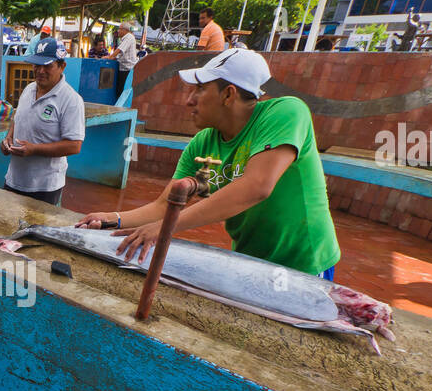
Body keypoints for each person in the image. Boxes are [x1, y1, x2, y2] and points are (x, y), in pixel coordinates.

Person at [76, 47, 340, 279]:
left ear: (228, 95)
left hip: (304, 263)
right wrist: (113, 218)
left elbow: (257, 186)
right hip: (249, 259)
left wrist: (162, 229)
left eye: (200, 89)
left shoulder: (285, 112)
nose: (189, 100)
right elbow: (164, 207)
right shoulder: (203, 143)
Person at [0, 37, 85, 206]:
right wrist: (8, 138)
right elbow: (18, 118)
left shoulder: (71, 100)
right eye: (36, 65)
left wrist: (34, 149)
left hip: (44, 187)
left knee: (35, 231)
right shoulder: (29, 89)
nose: (40, 71)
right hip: (14, 179)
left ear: (62, 66)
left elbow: (74, 145)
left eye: (47, 65)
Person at [107, 22, 138, 96]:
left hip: (127, 69)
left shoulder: (129, 37)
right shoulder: (125, 38)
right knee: (119, 90)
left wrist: (110, 57)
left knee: (121, 92)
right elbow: (121, 55)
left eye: (120, 29)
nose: (118, 31)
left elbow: (119, 50)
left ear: (125, 30)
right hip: (124, 69)